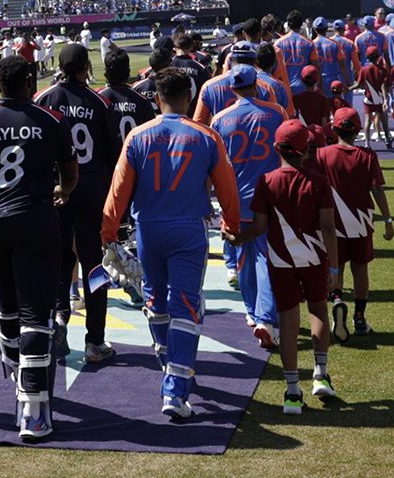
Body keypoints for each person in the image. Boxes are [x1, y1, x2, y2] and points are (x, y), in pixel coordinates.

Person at [102, 68, 241, 421]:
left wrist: (108, 231)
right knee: (186, 306)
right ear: (189, 98)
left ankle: (167, 360)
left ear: (156, 97)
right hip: (188, 229)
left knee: (155, 299)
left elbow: (118, 189)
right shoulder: (206, 136)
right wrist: (232, 223)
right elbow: (227, 186)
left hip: (148, 230)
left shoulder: (137, 136)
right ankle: (175, 388)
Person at [0, 55, 78, 441]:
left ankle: (12, 366)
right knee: (36, 316)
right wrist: (63, 191)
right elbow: (70, 171)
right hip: (36, 221)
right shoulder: (50, 119)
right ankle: (34, 412)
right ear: (30, 82)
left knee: (6, 305)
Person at [227, 120, 338, 415]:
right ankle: (320, 374)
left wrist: (236, 239)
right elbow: (328, 227)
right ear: (307, 148)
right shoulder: (319, 181)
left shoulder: (267, 181)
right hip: (314, 259)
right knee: (318, 312)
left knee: (288, 324)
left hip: (280, 262)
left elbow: (258, 228)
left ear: (276, 148)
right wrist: (335, 268)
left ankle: (292, 392)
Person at [34, 43, 122, 363]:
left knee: (59, 261)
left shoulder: (44, 99)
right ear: (86, 67)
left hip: (57, 192)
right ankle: (94, 340)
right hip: (92, 192)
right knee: (94, 265)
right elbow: (113, 155)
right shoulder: (99, 102)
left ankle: (59, 318)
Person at [210, 66, 287, 347]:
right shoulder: (276, 112)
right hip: (270, 194)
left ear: (232, 88)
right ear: (256, 85)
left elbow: (214, 163)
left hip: (236, 198)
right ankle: (266, 318)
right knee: (267, 257)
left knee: (243, 257)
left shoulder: (220, 119)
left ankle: (254, 312)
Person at [315, 108, 393, 338]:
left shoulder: (322, 155)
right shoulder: (368, 156)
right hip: (361, 222)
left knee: (335, 267)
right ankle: (359, 317)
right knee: (360, 270)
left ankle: (338, 300)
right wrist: (388, 220)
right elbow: (377, 190)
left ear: (334, 129)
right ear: (358, 130)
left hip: (332, 224)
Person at [97, 46, 158, 142]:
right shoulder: (141, 100)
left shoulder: (98, 99)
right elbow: (151, 135)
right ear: (128, 71)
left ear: (106, 72)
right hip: (136, 151)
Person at [357, 51, 394, 149]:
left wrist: (349, 88)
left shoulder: (364, 70)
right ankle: (387, 139)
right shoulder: (383, 70)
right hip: (380, 99)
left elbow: (358, 84)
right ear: (377, 57)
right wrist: (386, 99)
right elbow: (386, 86)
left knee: (368, 120)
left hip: (369, 98)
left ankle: (367, 143)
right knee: (384, 121)